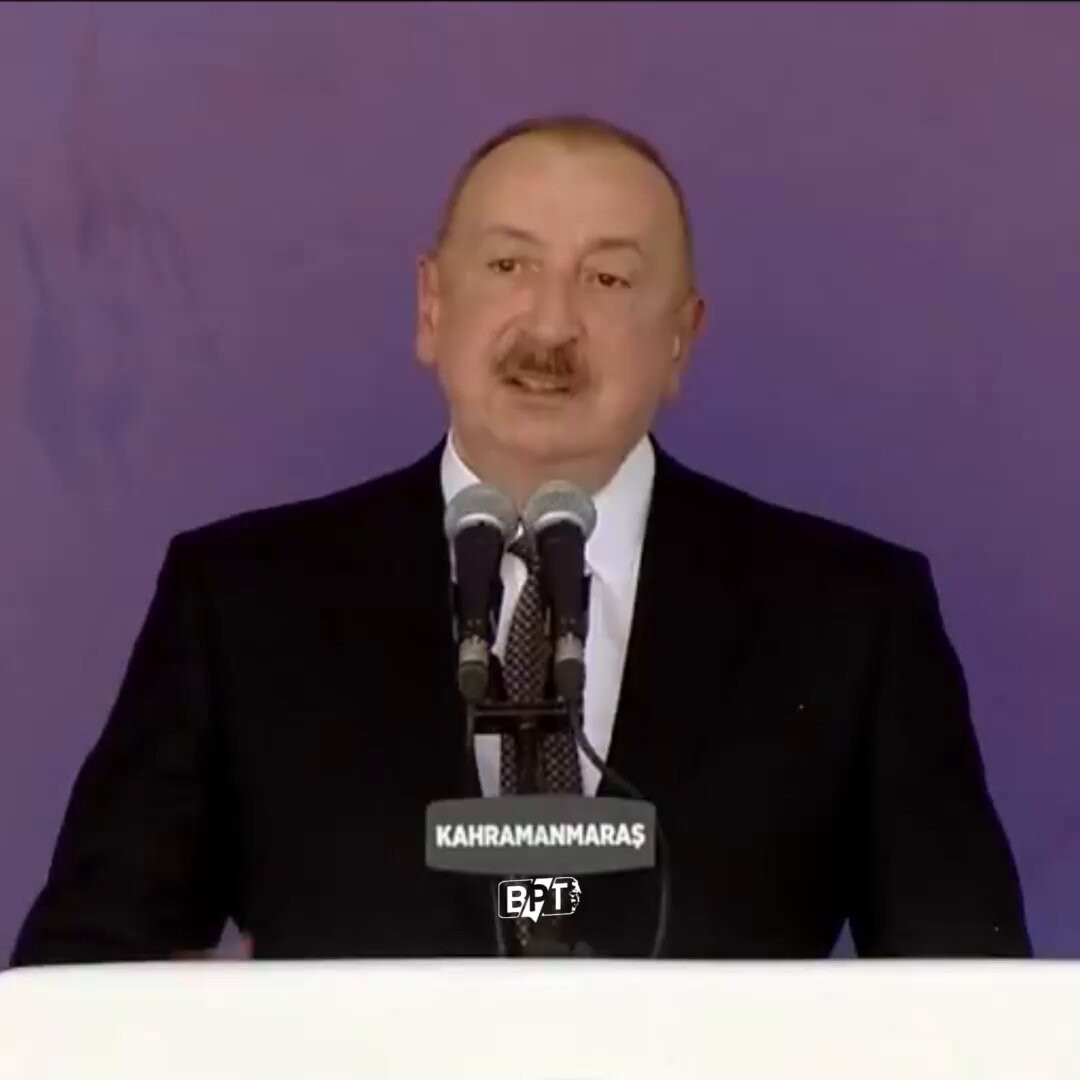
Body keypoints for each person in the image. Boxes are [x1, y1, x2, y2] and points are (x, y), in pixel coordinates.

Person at [10, 114, 1031, 964]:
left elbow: (970, 1003)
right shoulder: (241, 601)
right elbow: (84, 975)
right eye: (509, 265)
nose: (550, 326)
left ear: (682, 338)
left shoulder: (852, 616)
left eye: (609, 280)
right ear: (432, 306)